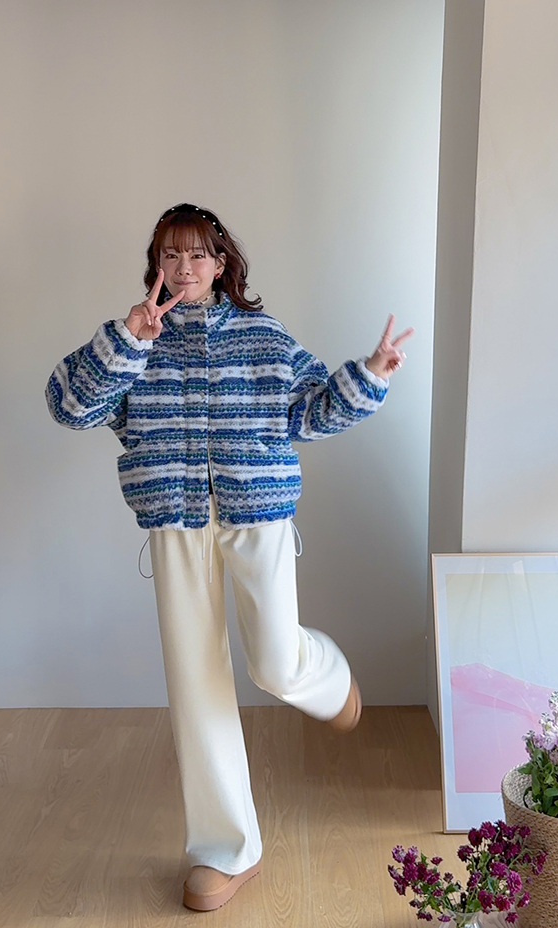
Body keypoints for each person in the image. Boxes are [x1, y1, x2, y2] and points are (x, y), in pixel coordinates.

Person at [45, 202, 413, 911]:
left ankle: (328, 679)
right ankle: (226, 850)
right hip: (174, 522)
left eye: (197, 254)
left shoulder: (263, 337)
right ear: (156, 265)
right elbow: (68, 406)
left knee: (275, 662)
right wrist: (127, 339)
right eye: (170, 254)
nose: (183, 267)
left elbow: (311, 411)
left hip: (258, 515)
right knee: (196, 684)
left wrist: (370, 373)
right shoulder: (136, 342)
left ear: (221, 264)